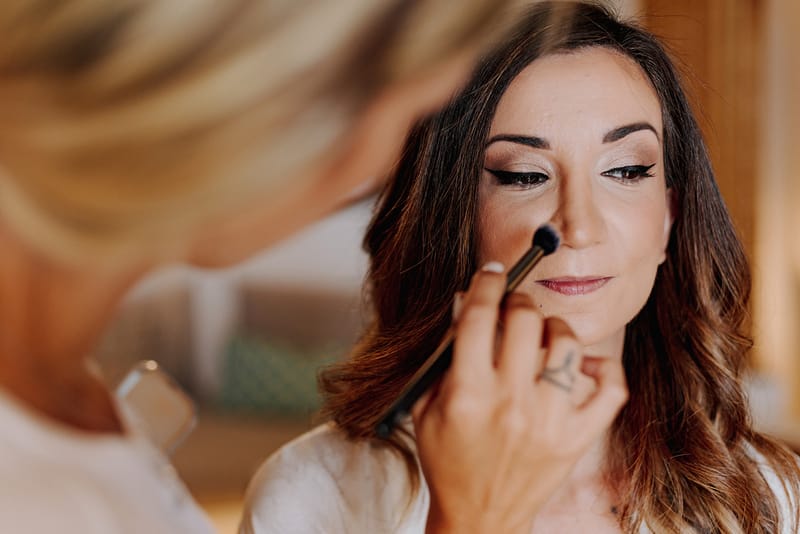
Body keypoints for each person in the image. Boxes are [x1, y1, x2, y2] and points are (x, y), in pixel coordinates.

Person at [240, 2, 800, 533]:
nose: (579, 227)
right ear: (452, 217)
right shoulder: (315, 496)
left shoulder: (765, 495)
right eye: (524, 176)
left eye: (627, 170)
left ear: (668, 221)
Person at [0, 0, 538, 532]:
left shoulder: (60, 391)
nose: (369, 175)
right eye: (519, 174)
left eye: (626, 169)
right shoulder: (29, 496)